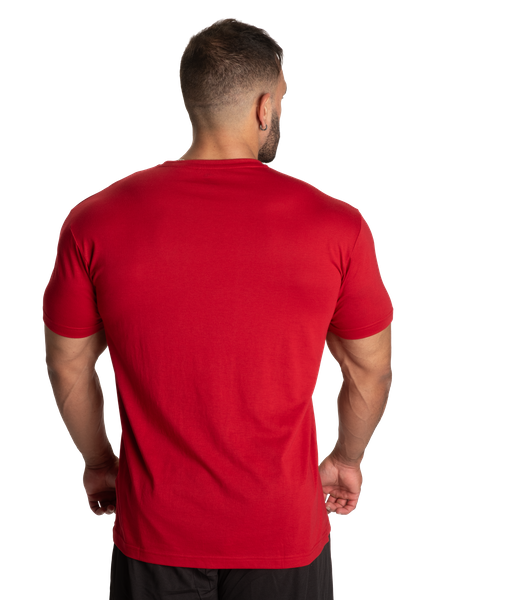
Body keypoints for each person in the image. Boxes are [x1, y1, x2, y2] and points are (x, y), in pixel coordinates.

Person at [41, 17, 393, 600]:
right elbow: (369, 369)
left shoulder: (94, 222)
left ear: (191, 101)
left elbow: (68, 364)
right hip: (282, 529)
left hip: (156, 531)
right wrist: (345, 458)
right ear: (264, 107)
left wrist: (101, 462)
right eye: (283, 100)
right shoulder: (337, 227)